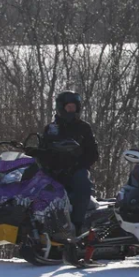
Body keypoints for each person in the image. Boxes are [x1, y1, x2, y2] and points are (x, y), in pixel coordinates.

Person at [40, 91, 99, 233]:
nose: (72, 110)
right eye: (69, 107)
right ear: (61, 108)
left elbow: (93, 153)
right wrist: (36, 154)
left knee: (83, 183)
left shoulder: (83, 127)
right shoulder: (51, 129)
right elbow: (43, 150)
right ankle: (37, 224)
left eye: (74, 107)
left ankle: (77, 225)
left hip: (75, 170)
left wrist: (79, 162)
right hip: (53, 171)